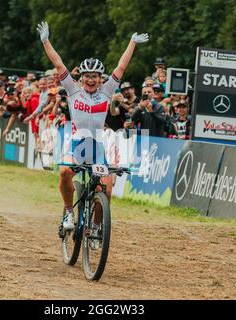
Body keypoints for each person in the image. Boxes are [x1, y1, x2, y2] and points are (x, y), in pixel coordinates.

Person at [36, 21, 149, 230]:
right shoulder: (72, 90)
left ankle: (96, 226)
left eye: (95, 76)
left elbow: (121, 67)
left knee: (106, 188)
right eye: (87, 76)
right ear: (81, 78)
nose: (90, 79)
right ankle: (69, 212)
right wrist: (45, 41)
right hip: (77, 144)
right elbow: (59, 64)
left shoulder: (106, 91)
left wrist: (132, 42)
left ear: (100, 79)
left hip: (97, 148)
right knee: (64, 173)